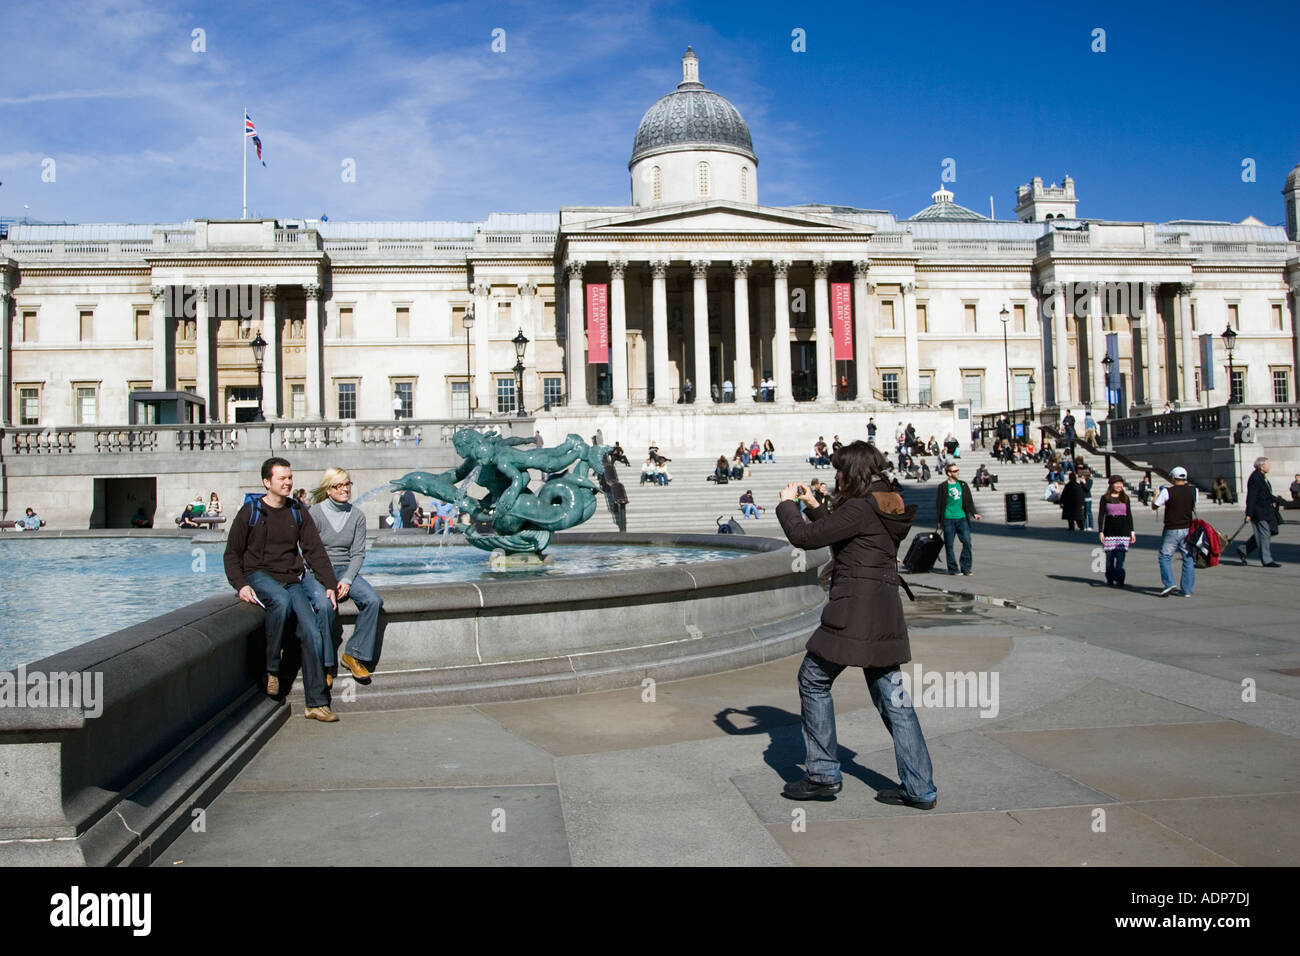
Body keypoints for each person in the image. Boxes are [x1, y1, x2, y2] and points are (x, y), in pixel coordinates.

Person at [774, 441, 938, 809]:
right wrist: (815, 507)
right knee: (893, 698)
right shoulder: (883, 500)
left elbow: (804, 538)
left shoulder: (862, 506)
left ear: (853, 471)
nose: (836, 476)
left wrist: (787, 504)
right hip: (882, 609)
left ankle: (822, 774)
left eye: (840, 470)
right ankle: (920, 786)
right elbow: (845, 533)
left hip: (854, 612)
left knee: (813, 679)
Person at [223, 457, 340, 722]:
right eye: (282, 478)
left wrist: (329, 584)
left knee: (312, 632)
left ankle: (317, 704)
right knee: (280, 602)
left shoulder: (297, 510)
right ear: (267, 482)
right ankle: (271, 669)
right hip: (259, 574)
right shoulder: (250, 512)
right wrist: (241, 585)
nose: (288, 482)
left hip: (292, 578)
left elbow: (314, 551)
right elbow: (231, 554)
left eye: (290, 477)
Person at [301, 467, 383, 685]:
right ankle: (326, 663)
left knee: (373, 600)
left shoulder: (357, 516)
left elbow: (357, 554)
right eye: (339, 485)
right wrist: (328, 580)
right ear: (328, 490)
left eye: (347, 484)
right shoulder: (314, 514)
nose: (345, 489)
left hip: (345, 568)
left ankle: (354, 654)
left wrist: (346, 579)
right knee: (325, 605)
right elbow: (308, 552)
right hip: (316, 569)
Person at [1153, 466, 1197, 597]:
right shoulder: (1194, 491)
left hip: (1172, 528)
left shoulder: (1167, 491)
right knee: (1188, 558)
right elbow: (1193, 505)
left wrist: (1156, 495)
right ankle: (1187, 590)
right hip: (1187, 528)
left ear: (1172, 477)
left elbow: (1154, 506)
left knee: (1165, 556)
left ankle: (1169, 583)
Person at [936, 463, 982, 575]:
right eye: (955, 471)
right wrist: (940, 520)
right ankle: (953, 569)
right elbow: (939, 504)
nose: (958, 472)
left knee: (967, 542)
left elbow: (969, 501)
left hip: (962, 518)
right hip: (948, 519)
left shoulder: (963, 485)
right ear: (949, 473)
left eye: (958, 470)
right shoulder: (942, 486)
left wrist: (974, 513)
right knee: (949, 545)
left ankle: (966, 568)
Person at [1237, 456, 1283, 567]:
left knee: (1263, 534)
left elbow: (1265, 494)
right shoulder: (1255, 478)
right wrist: (1249, 513)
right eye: (1268, 464)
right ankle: (1267, 560)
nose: (1269, 466)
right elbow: (1251, 497)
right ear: (1262, 466)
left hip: (1266, 511)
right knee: (1265, 534)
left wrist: (1276, 500)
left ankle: (1243, 550)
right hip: (1259, 512)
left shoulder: (1261, 477)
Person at [1098, 476, 1137, 587]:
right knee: (1109, 558)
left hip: (1123, 531)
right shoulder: (1105, 498)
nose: (1119, 485)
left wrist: (1132, 531)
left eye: (1121, 483)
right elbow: (1101, 515)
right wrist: (1101, 531)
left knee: (1120, 559)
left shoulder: (1125, 498)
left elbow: (1129, 515)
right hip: (1109, 531)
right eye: (1117, 483)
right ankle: (1110, 578)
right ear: (1111, 484)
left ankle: (1120, 579)